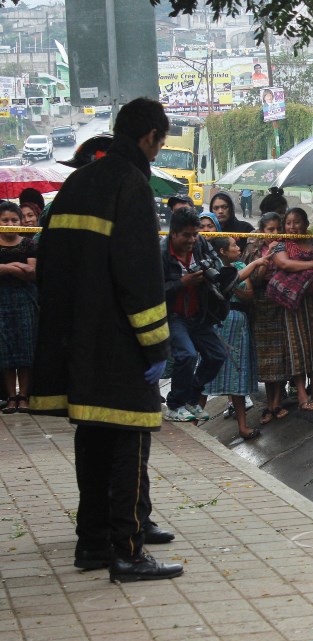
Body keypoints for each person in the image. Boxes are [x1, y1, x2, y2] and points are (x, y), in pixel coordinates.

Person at [30, 97, 183, 581]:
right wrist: (157, 345)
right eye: (159, 143)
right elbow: (139, 277)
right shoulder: (131, 186)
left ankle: (92, 545)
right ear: (149, 138)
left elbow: (48, 264)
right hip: (122, 345)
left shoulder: (77, 183)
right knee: (129, 442)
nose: (158, 153)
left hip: (79, 342)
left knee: (92, 442)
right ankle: (129, 552)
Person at [162, 207, 229, 423]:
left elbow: (216, 264)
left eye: (195, 234)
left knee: (218, 355)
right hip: (173, 315)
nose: (192, 239)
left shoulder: (200, 244)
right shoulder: (160, 253)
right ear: (173, 233)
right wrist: (182, 283)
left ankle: (191, 398)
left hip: (199, 314)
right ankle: (174, 404)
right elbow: (151, 291)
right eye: (186, 235)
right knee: (187, 355)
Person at [271, 207, 313, 411]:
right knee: (298, 347)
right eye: (288, 223)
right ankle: (302, 396)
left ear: (306, 224)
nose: (292, 227)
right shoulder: (280, 245)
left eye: (297, 222)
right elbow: (285, 264)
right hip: (295, 304)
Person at [205, 236, 269, 439]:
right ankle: (192, 425)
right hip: (217, 322)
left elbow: (248, 293)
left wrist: (229, 286)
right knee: (206, 372)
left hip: (238, 322)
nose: (238, 247)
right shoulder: (210, 267)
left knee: (238, 372)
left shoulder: (240, 265)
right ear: (223, 251)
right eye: (233, 245)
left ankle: (243, 426)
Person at [247, 212, 290, 424]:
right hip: (262, 305)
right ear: (262, 230)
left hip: (281, 304)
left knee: (281, 354)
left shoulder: (288, 246)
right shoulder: (254, 248)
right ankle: (268, 403)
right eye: (269, 230)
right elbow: (253, 279)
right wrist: (267, 256)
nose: (274, 233)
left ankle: (277, 402)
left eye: (277, 229)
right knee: (266, 358)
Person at [0, 202, 36, 413]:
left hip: (25, 299)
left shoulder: (29, 245)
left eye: (14, 219)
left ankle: (24, 396)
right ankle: (10, 397)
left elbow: (32, 272)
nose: (10, 223)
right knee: (5, 350)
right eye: (5, 220)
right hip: (2, 300)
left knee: (25, 348)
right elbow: (25, 269)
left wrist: (5, 269)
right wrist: (15, 267)